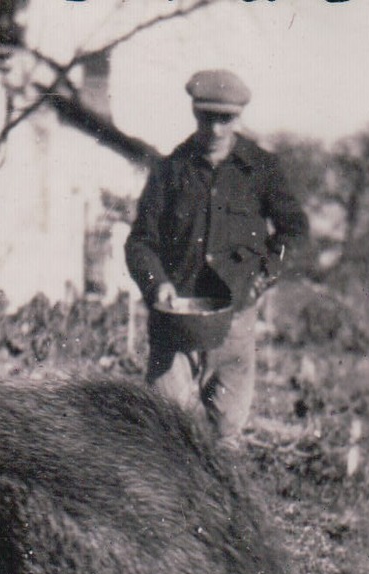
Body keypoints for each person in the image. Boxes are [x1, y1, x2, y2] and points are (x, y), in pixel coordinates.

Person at [125, 69, 309, 442]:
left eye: (226, 119)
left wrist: (265, 273)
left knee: (225, 432)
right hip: (176, 319)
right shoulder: (170, 170)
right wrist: (157, 284)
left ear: (238, 118)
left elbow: (295, 230)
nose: (216, 130)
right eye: (207, 118)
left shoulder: (261, 170)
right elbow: (140, 242)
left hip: (234, 317)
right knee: (161, 425)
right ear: (195, 114)